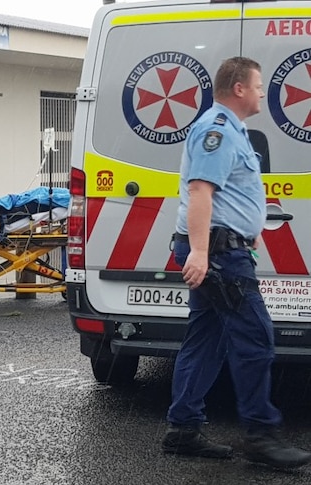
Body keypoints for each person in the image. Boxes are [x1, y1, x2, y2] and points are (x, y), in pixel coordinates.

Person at [163, 57, 311, 470]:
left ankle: (183, 430)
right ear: (240, 88)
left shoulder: (233, 130)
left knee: (205, 339)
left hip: (220, 248)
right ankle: (261, 436)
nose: (264, 91)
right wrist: (199, 251)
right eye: (259, 84)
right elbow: (200, 192)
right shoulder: (219, 130)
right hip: (219, 253)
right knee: (256, 338)